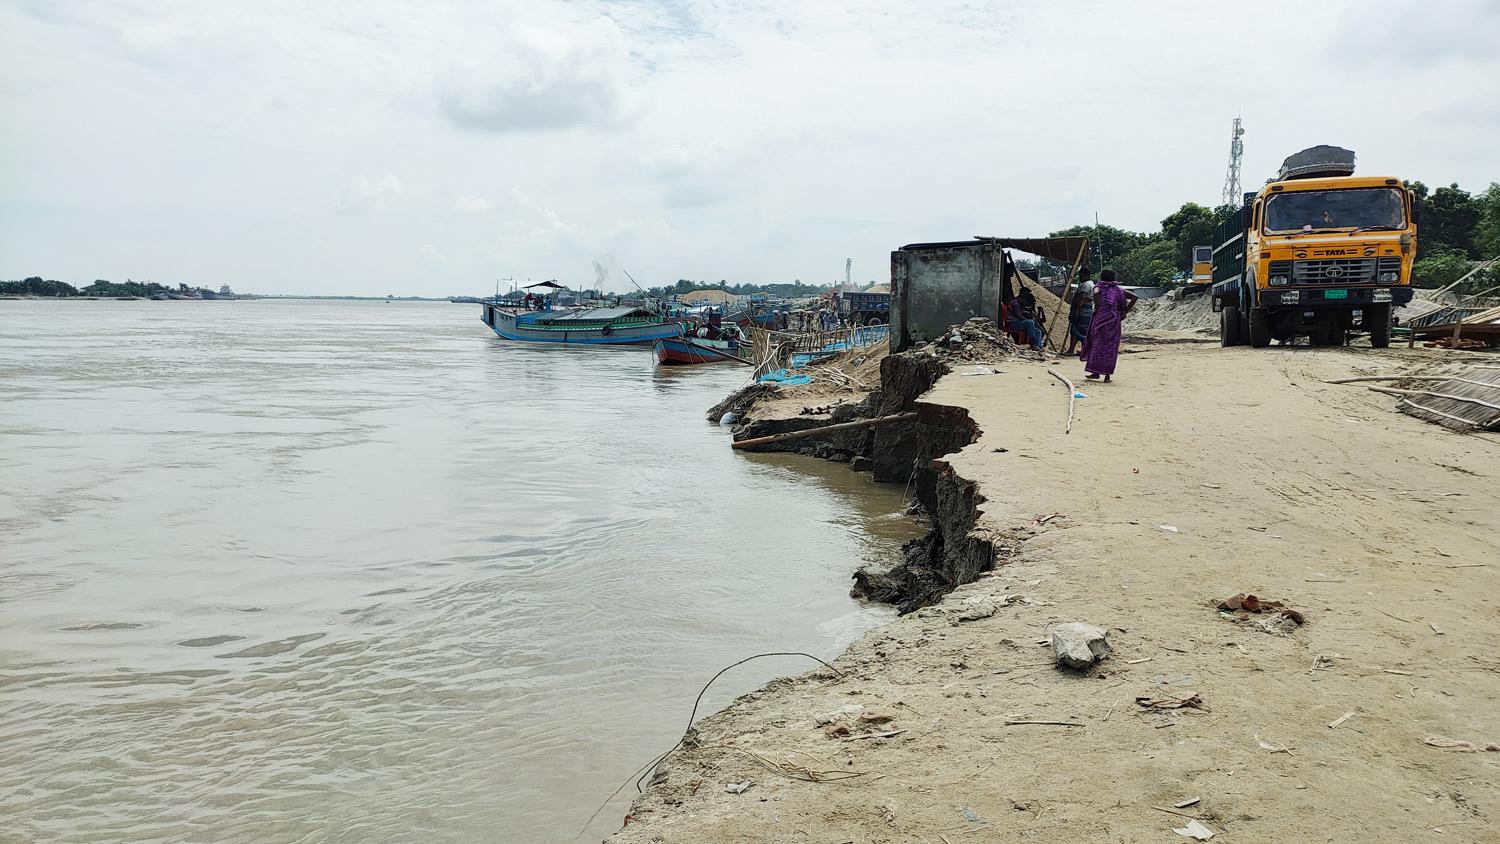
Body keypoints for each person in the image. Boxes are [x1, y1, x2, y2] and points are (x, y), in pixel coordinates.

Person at [1079, 269, 1138, 382]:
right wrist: (1125, 311)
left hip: (1101, 320)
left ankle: (1095, 372)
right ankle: (1107, 376)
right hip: (1114, 321)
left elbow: (1097, 299)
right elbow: (1134, 297)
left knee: (1097, 345)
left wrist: (1099, 309)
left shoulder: (1097, 287)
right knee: (1110, 348)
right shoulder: (1118, 290)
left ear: (1101, 277)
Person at [1064, 269, 1096, 357]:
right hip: (1086, 310)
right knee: (1083, 331)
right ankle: (1084, 350)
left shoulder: (1086, 285)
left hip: (1082, 310)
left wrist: (1076, 310)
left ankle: (1072, 350)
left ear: (1086, 275)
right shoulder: (1091, 284)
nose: (1080, 278)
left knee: (1076, 330)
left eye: (1081, 275)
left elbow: (1082, 299)